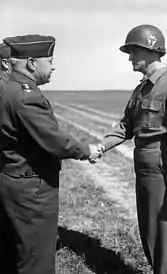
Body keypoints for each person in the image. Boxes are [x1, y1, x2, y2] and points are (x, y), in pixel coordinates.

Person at [94, 25, 167, 273]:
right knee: (149, 230)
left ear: (149, 50)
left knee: (161, 233)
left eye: (132, 51)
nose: (129, 58)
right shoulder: (141, 89)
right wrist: (101, 146)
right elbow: (126, 125)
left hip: (161, 169)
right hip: (144, 168)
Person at [0, 34, 101, 274]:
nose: (54, 66)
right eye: (50, 60)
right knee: (36, 260)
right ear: (32, 63)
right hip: (32, 188)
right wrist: (87, 150)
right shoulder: (27, 96)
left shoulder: (7, 88)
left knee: (14, 253)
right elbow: (54, 141)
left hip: (11, 179)